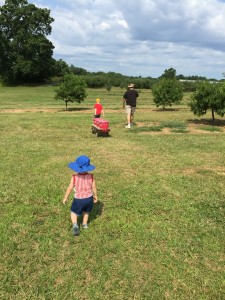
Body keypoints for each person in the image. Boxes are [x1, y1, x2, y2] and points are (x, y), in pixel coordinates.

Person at [63, 155, 98, 236]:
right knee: (86, 212)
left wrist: (65, 197)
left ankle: (75, 225)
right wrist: (95, 196)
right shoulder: (91, 176)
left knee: (73, 212)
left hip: (78, 199)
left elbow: (70, 188)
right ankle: (84, 225)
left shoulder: (74, 177)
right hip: (89, 198)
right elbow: (94, 187)